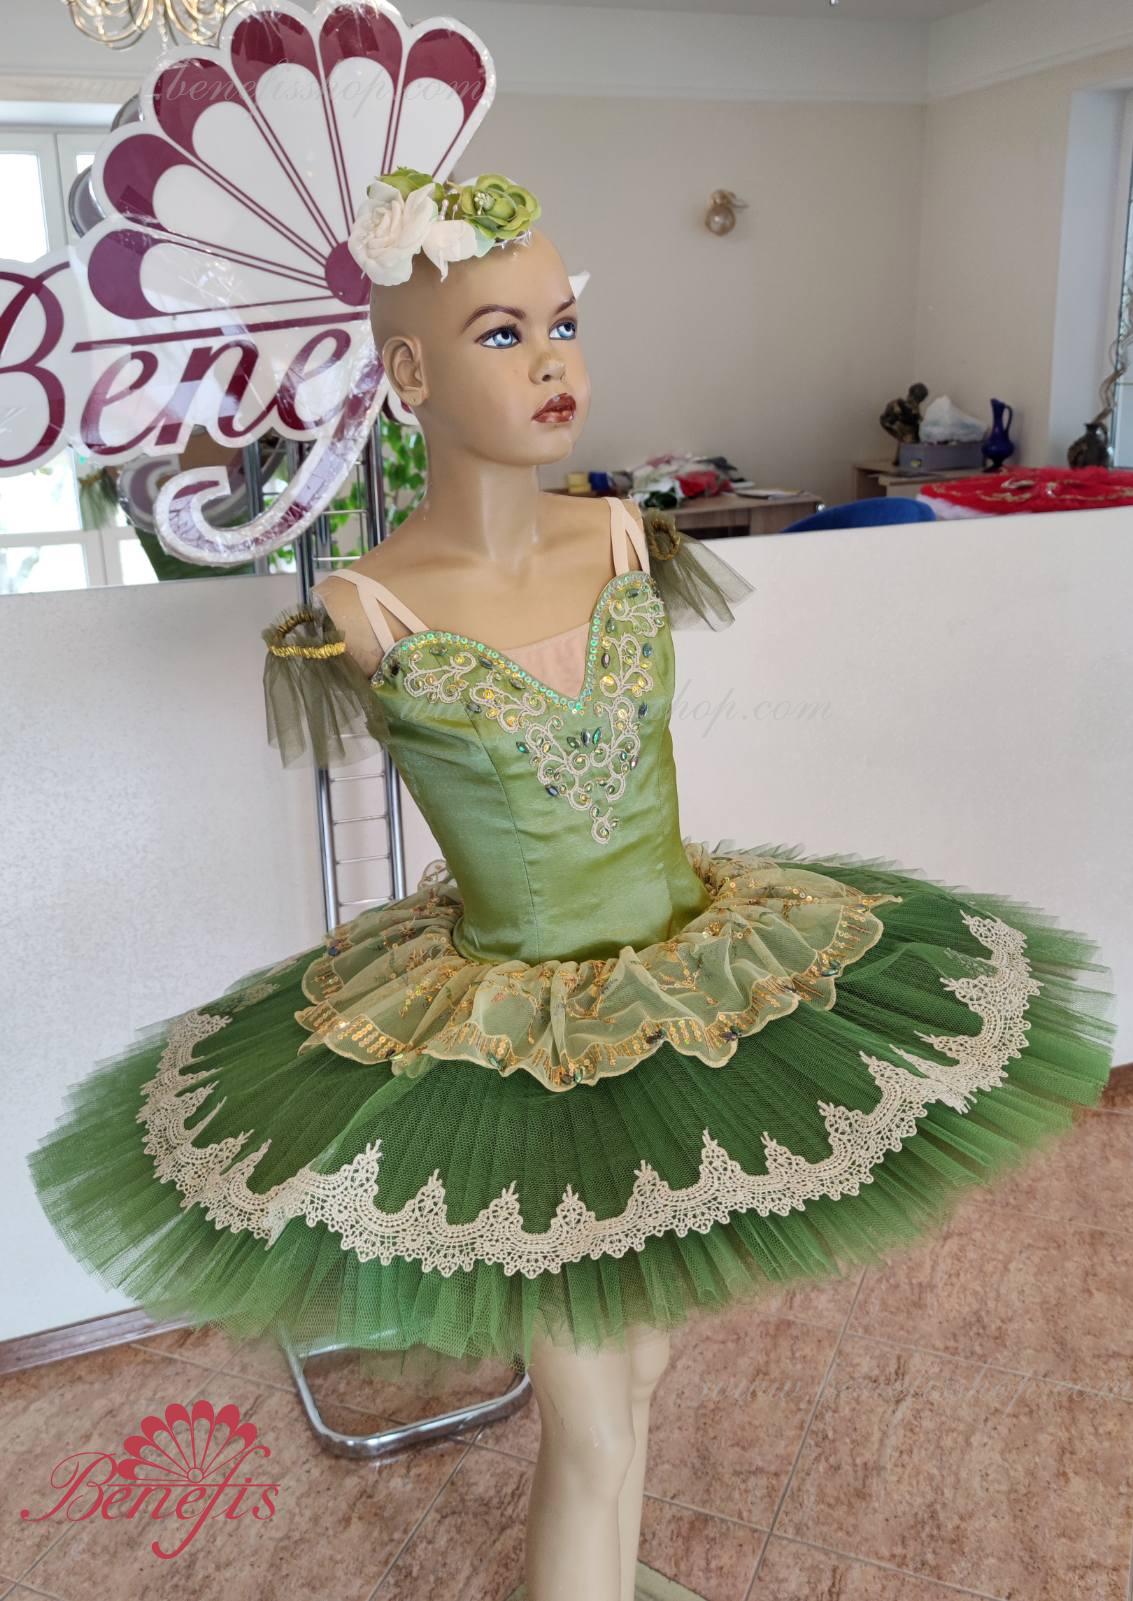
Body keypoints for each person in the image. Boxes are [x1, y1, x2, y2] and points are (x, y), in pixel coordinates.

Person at [27, 168, 1117, 1601]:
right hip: (513, 1046)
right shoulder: (360, 607)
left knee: (638, 1368)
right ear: (409, 372)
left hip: (698, 984)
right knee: (595, 1423)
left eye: (561, 324)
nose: (552, 363)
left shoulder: (617, 534)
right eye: (500, 333)